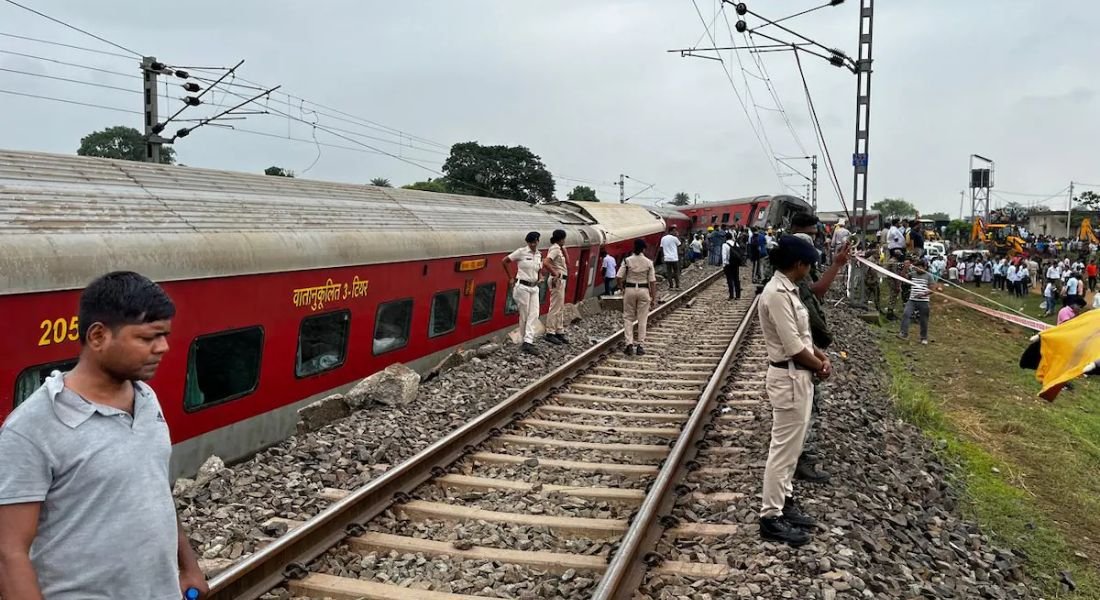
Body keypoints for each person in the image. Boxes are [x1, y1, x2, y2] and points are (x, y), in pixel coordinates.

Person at [0, 271, 207, 600]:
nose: (163, 347)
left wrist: (188, 566)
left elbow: (152, 489)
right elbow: (9, 553)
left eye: (164, 335)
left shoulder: (146, 399)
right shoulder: (30, 429)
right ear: (98, 337)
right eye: (147, 338)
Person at [756, 235, 830, 546]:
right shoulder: (775, 294)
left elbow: (802, 336)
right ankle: (770, 516)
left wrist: (819, 355)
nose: (810, 270)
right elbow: (792, 346)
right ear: (798, 264)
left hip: (798, 377)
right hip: (789, 378)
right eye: (809, 265)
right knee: (783, 450)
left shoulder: (789, 290)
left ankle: (784, 502)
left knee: (792, 449)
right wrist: (819, 365)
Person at [789, 212, 849, 483]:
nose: (814, 240)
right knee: (809, 406)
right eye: (811, 235)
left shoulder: (793, 262)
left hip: (808, 346)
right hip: (802, 352)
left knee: (809, 404)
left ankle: (801, 456)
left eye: (815, 235)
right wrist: (818, 361)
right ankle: (804, 461)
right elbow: (815, 291)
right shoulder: (793, 267)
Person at [503, 231, 544, 355]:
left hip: (534, 287)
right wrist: (510, 277)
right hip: (522, 287)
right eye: (531, 242)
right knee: (525, 314)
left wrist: (540, 277)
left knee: (535, 313)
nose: (533, 244)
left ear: (538, 242)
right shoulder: (521, 252)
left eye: (535, 242)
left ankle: (528, 341)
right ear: (527, 242)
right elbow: (504, 261)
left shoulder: (539, 254)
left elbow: (539, 269)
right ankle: (525, 341)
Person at [617, 238, 658, 356]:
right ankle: (640, 345)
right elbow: (652, 282)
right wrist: (653, 298)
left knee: (628, 317)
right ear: (644, 249)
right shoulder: (648, 262)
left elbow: (619, 277)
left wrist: (622, 288)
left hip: (629, 289)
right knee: (642, 318)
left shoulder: (627, 261)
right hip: (644, 290)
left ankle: (629, 344)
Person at [899, 261, 938, 344]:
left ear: (925, 268)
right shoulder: (912, 274)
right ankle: (903, 333)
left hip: (923, 301)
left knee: (923, 319)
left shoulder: (929, 276)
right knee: (906, 314)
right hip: (912, 300)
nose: (918, 269)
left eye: (920, 267)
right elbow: (903, 278)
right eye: (917, 267)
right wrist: (905, 268)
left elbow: (932, 289)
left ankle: (923, 338)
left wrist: (923, 294)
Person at [542, 229, 569, 345]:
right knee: (555, 307)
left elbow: (568, 262)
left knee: (560, 307)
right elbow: (546, 262)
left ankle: (559, 331)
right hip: (557, 280)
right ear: (562, 238)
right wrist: (554, 273)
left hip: (561, 280)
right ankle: (550, 332)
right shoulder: (554, 249)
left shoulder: (559, 249)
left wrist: (564, 249)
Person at [721, 231, 744, 300]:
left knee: (729, 280)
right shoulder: (736, 244)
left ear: (725, 238)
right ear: (731, 237)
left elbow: (724, 256)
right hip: (736, 264)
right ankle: (738, 296)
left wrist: (724, 264)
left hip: (728, 264)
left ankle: (731, 295)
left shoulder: (724, 245)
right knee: (736, 279)